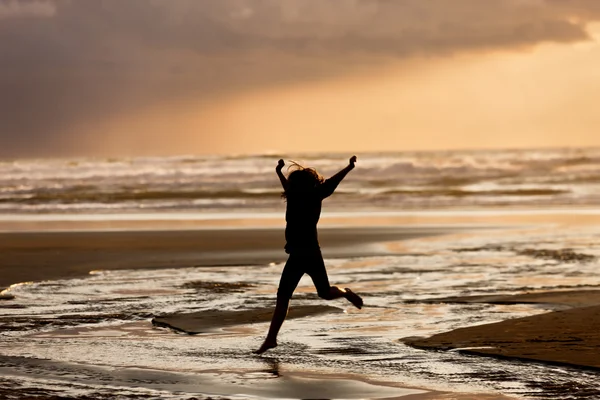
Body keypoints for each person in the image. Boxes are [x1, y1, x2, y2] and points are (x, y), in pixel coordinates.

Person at [254, 156, 363, 354]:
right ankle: (271, 339)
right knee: (283, 296)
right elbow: (287, 186)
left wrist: (348, 167)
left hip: (311, 254)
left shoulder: (316, 195)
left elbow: (333, 182)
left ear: (305, 185)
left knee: (325, 293)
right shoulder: (293, 195)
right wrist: (278, 172)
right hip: (296, 255)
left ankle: (346, 292)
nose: (292, 187)